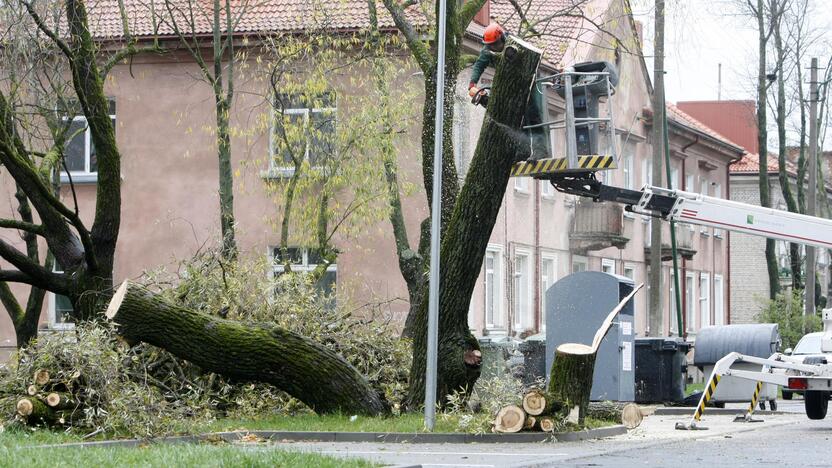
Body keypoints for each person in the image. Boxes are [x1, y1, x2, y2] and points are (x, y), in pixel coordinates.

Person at [468, 24, 548, 160]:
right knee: (516, 117)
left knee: (532, 115)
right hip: (512, 84)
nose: (493, 47)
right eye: (491, 45)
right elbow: (479, 65)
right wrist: (472, 83)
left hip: (529, 81)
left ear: (501, 38)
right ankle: (522, 150)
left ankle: (540, 150)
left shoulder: (514, 45)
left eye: (495, 44)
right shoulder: (487, 50)